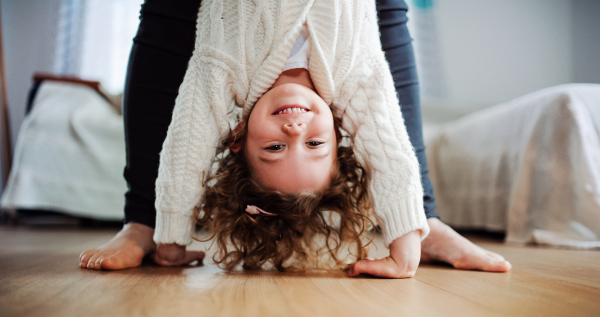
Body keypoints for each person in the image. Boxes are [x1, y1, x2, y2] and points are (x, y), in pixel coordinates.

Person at [79, 0, 511, 277]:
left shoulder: (221, 69)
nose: (294, 131)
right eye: (315, 145)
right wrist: (405, 250)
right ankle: (425, 226)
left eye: (274, 149)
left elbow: (185, 147)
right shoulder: (357, 77)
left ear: (236, 136)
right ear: (341, 134)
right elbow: (390, 152)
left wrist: (168, 238)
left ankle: (142, 224)